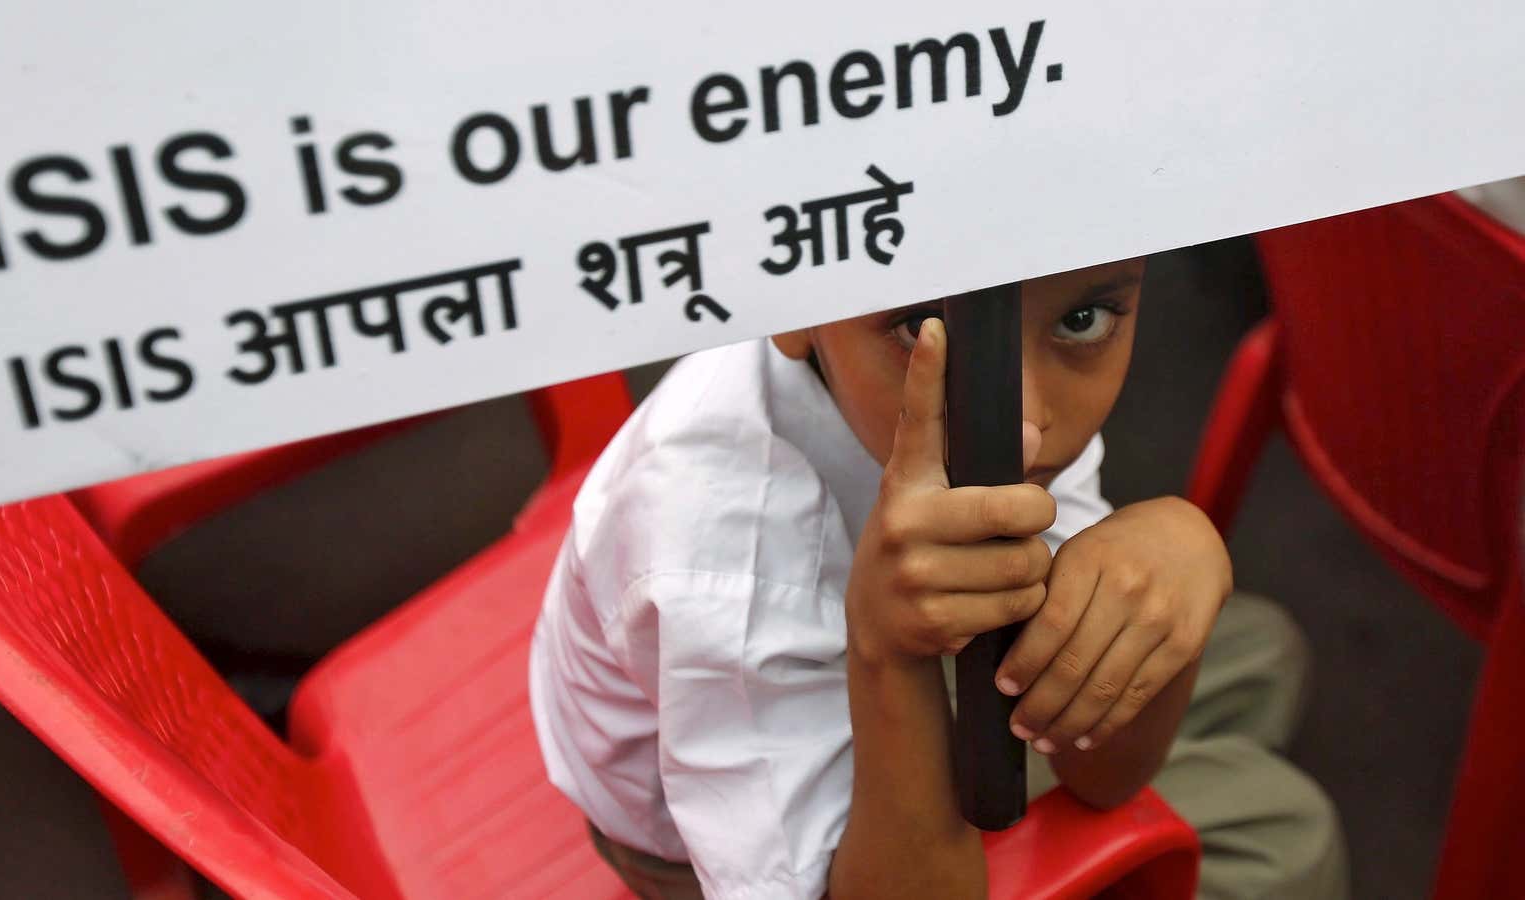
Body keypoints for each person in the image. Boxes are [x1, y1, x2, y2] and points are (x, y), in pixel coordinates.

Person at [529, 259, 1348, 899]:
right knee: (1286, 839)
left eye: (1084, 317)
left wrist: (1185, 541)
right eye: (922, 329)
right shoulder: (723, 561)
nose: (1023, 428)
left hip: (864, 669)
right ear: (786, 308)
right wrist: (888, 652)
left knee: (1256, 648)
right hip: (724, 840)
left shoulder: (960, 352)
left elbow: (1102, 771)